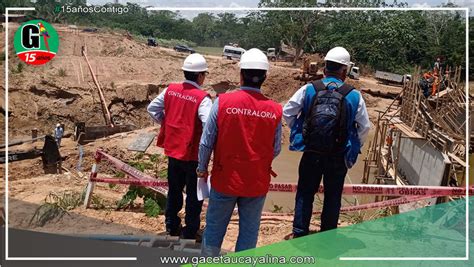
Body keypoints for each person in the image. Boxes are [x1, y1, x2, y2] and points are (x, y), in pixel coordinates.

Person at [197, 48, 282, 256]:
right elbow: (276, 148)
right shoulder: (275, 109)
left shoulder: (223, 102)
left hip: (225, 178)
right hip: (256, 182)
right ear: (265, 77)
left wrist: (202, 169)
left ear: (241, 74)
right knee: (249, 232)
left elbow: (206, 142)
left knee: (215, 229)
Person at [283, 46, 370, 237]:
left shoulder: (309, 89)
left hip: (311, 151)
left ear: (324, 68)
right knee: (333, 196)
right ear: (345, 71)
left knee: (305, 192)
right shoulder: (354, 95)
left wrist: (302, 131)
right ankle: (328, 236)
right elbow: (365, 128)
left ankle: (299, 232)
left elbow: (288, 112)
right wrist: (354, 146)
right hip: (338, 155)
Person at [147, 53, 212, 239]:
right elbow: (208, 125)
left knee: (174, 191)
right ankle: (190, 231)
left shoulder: (170, 90)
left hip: (173, 151)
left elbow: (152, 109)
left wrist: (166, 124)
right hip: (193, 155)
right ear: (200, 75)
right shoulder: (203, 98)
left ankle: (171, 226)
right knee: (194, 194)